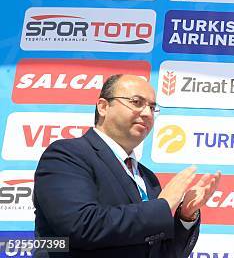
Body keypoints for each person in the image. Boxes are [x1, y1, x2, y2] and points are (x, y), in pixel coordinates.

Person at [33, 74, 221, 257]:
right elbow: (82, 225)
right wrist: (162, 206)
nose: (147, 113)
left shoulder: (148, 178)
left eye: (152, 107)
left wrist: (184, 217)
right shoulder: (66, 155)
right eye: (136, 102)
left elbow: (161, 252)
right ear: (103, 107)